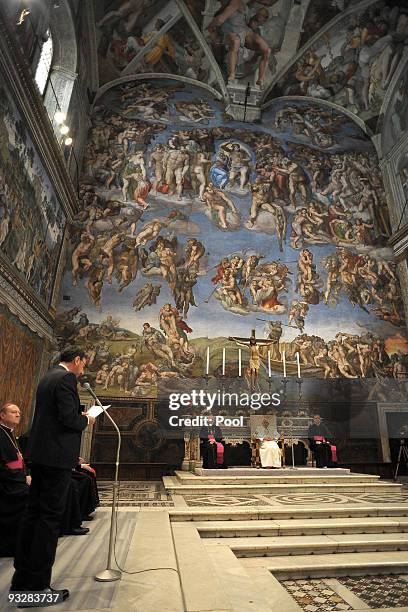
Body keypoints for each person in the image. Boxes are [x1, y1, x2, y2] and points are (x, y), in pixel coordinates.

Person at [10, 348, 96, 605]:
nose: (83, 370)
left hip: (41, 456)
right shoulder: (67, 378)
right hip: (55, 458)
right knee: (48, 521)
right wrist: (86, 420)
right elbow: (69, 419)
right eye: (83, 364)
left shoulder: (48, 376)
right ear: (77, 360)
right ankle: (36, 588)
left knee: (33, 516)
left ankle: (21, 583)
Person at [0, 402, 29, 557]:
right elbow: (3, 466)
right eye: (13, 412)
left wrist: (26, 475)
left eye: (18, 412)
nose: (18, 414)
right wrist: (22, 478)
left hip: (15, 479)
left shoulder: (9, 433)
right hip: (6, 484)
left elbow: (19, 460)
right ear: (2, 415)